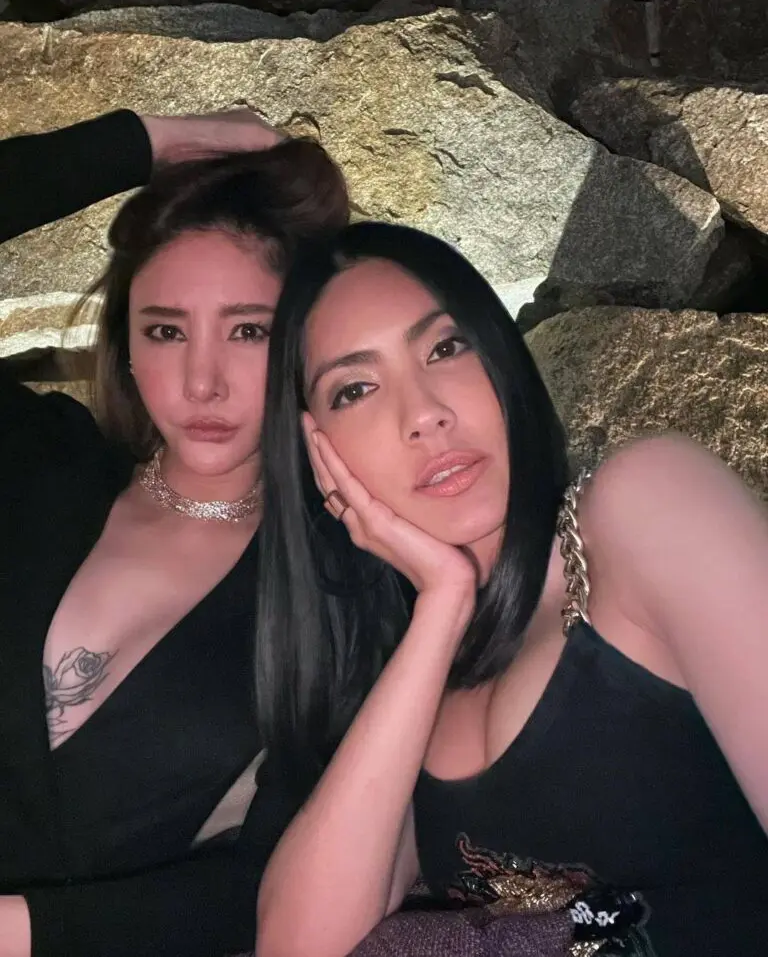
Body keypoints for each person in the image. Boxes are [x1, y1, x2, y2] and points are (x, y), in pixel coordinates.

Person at [253, 222, 768, 957]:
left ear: (500, 356)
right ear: (316, 454)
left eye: (446, 347)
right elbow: (301, 944)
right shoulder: (407, 665)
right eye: (356, 389)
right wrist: (443, 603)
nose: (424, 414)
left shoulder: (643, 508)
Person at [0, 110, 348, 957]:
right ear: (125, 343)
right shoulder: (38, 461)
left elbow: (284, 880)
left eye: (248, 329)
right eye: (166, 330)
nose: (202, 381)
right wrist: (142, 142)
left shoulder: (343, 577)